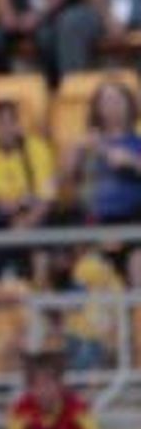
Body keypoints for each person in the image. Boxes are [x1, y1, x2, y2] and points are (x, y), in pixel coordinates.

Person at [0, 100, 57, 285]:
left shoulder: (37, 149)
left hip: (31, 214)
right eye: (1, 123)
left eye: (11, 122)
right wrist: (3, 204)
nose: (7, 128)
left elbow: (47, 196)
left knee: (46, 228)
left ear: (18, 124)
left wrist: (27, 221)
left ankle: (41, 286)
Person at [62, 80, 141, 287]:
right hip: (93, 223)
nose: (112, 105)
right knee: (86, 267)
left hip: (132, 222)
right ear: (97, 108)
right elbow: (65, 180)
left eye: (117, 99)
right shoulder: (85, 144)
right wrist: (76, 151)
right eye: (106, 100)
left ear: (129, 105)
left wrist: (132, 162)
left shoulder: (137, 143)